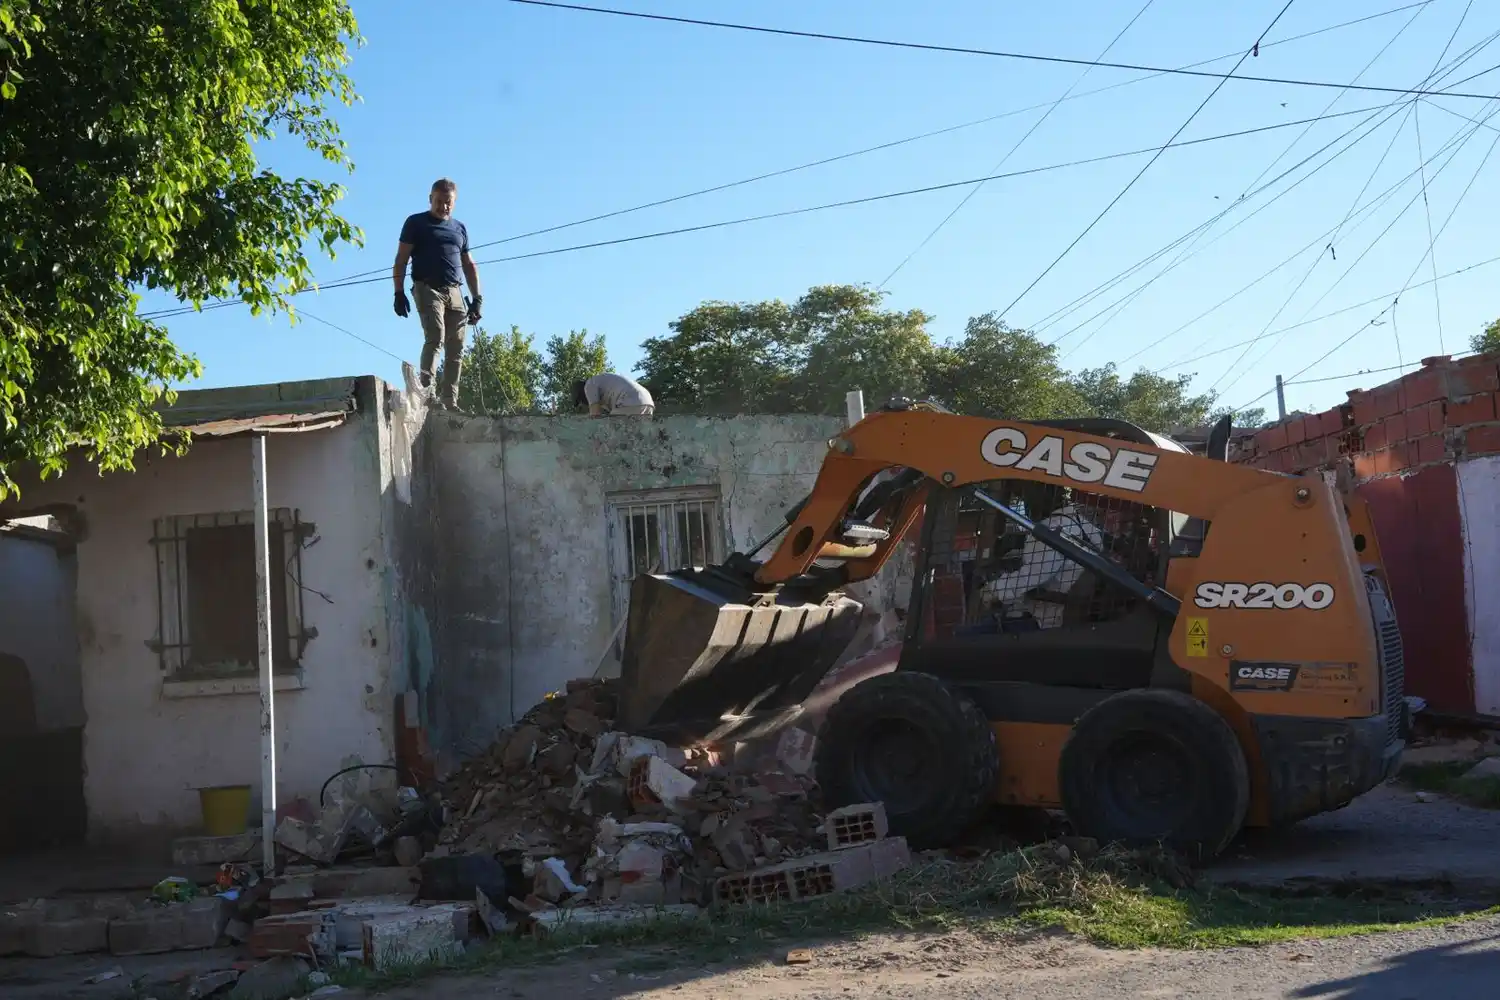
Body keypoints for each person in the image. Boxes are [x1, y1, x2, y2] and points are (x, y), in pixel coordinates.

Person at [392, 178, 482, 409]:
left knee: (457, 347)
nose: (443, 207)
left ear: (454, 202)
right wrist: (398, 292)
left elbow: (469, 264)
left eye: (448, 202)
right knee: (436, 336)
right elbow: (401, 260)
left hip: (455, 290)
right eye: (439, 201)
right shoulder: (416, 223)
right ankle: (426, 395)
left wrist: (477, 299)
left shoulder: (459, 228)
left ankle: (450, 401)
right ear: (430, 199)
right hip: (427, 287)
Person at [979, 486, 1105, 630]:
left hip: (1047, 618)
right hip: (1073, 609)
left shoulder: (1051, 529)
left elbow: (1033, 575)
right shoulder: (1079, 522)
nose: (1027, 507)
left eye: (1028, 501)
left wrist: (992, 591)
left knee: (972, 634)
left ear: (1043, 500)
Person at [571, 373, 655, 416]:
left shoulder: (589, 385)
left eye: (581, 401)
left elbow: (595, 416)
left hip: (628, 400)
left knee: (610, 434)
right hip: (647, 402)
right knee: (636, 437)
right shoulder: (602, 384)